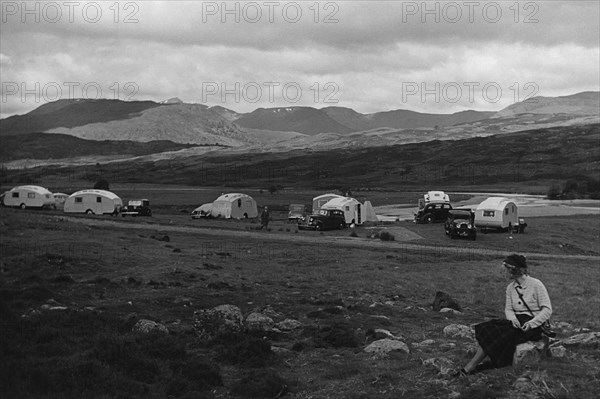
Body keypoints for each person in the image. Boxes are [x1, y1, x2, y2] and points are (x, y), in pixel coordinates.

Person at [456, 254, 552, 376]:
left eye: (507, 269)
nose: (504, 272)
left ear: (515, 269)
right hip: (517, 322)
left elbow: (547, 310)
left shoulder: (536, 284)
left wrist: (532, 323)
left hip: (533, 325)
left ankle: (470, 367)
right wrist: (513, 320)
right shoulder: (510, 288)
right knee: (488, 327)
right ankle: (474, 364)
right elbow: (509, 310)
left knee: (501, 333)